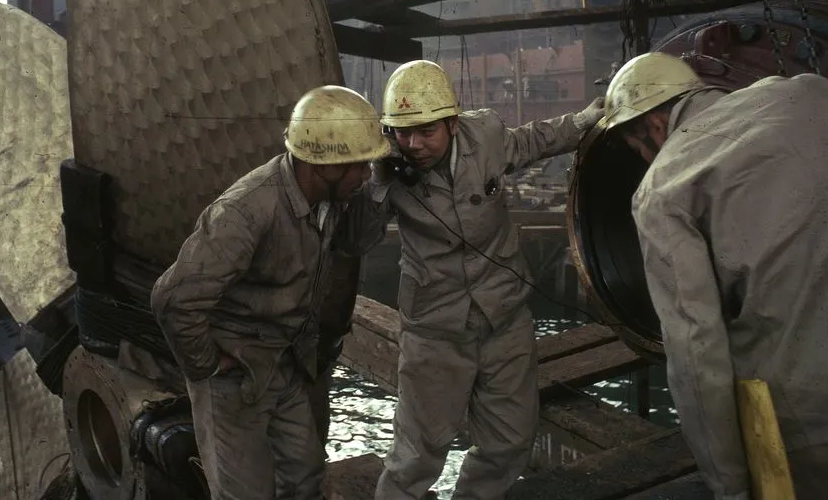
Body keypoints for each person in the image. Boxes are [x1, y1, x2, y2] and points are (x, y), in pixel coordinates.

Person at [599, 52, 828, 500]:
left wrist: (729, 486)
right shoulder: (810, 91)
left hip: (812, 426)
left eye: (635, 147)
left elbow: (698, 354)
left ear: (653, 126)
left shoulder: (663, 188)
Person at [370, 59, 604, 500]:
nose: (413, 144)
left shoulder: (488, 135)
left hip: (504, 317)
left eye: (425, 131)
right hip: (436, 328)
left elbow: (534, 140)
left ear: (453, 123)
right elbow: (357, 237)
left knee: (509, 441)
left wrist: (584, 121)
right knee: (416, 456)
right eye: (402, 132)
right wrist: (378, 183)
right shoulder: (390, 167)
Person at [151, 85, 392, 500]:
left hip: (284, 363)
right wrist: (208, 365)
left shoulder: (330, 198)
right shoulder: (247, 211)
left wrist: (381, 187)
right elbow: (173, 299)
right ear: (324, 166)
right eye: (357, 167)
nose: (364, 175)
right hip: (233, 375)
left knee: (304, 478)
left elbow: (357, 242)